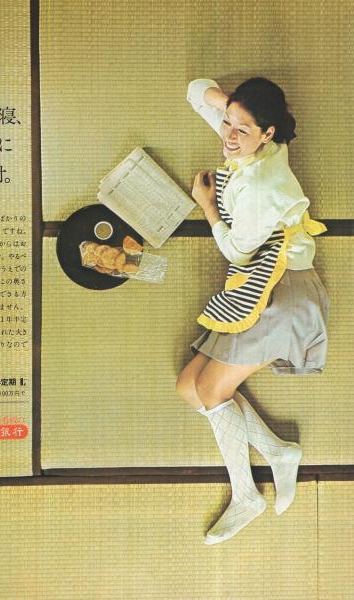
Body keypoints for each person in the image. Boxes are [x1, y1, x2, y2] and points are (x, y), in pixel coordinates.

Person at [176, 77, 329, 546]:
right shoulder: (257, 142)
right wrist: (235, 110)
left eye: (243, 129)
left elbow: (238, 251)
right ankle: (278, 452)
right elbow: (196, 90)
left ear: (268, 133)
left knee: (208, 389)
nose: (229, 136)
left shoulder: (262, 183)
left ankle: (247, 496)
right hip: (258, 286)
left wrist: (207, 206)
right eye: (227, 124)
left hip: (283, 294)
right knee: (188, 389)